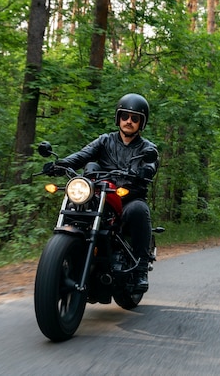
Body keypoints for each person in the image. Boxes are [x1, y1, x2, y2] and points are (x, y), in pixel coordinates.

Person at [44, 93, 159, 293]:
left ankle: (140, 269)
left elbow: (152, 162)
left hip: (127, 198)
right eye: (125, 116)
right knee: (74, 205)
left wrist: (146, 170)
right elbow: (82, 155)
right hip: (99, 195)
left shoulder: (147, 148)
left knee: (140, 210)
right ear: (118, 118)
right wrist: (59, 164)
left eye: (135, 118)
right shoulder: (105, 140)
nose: (129, 121)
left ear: (141, 122)